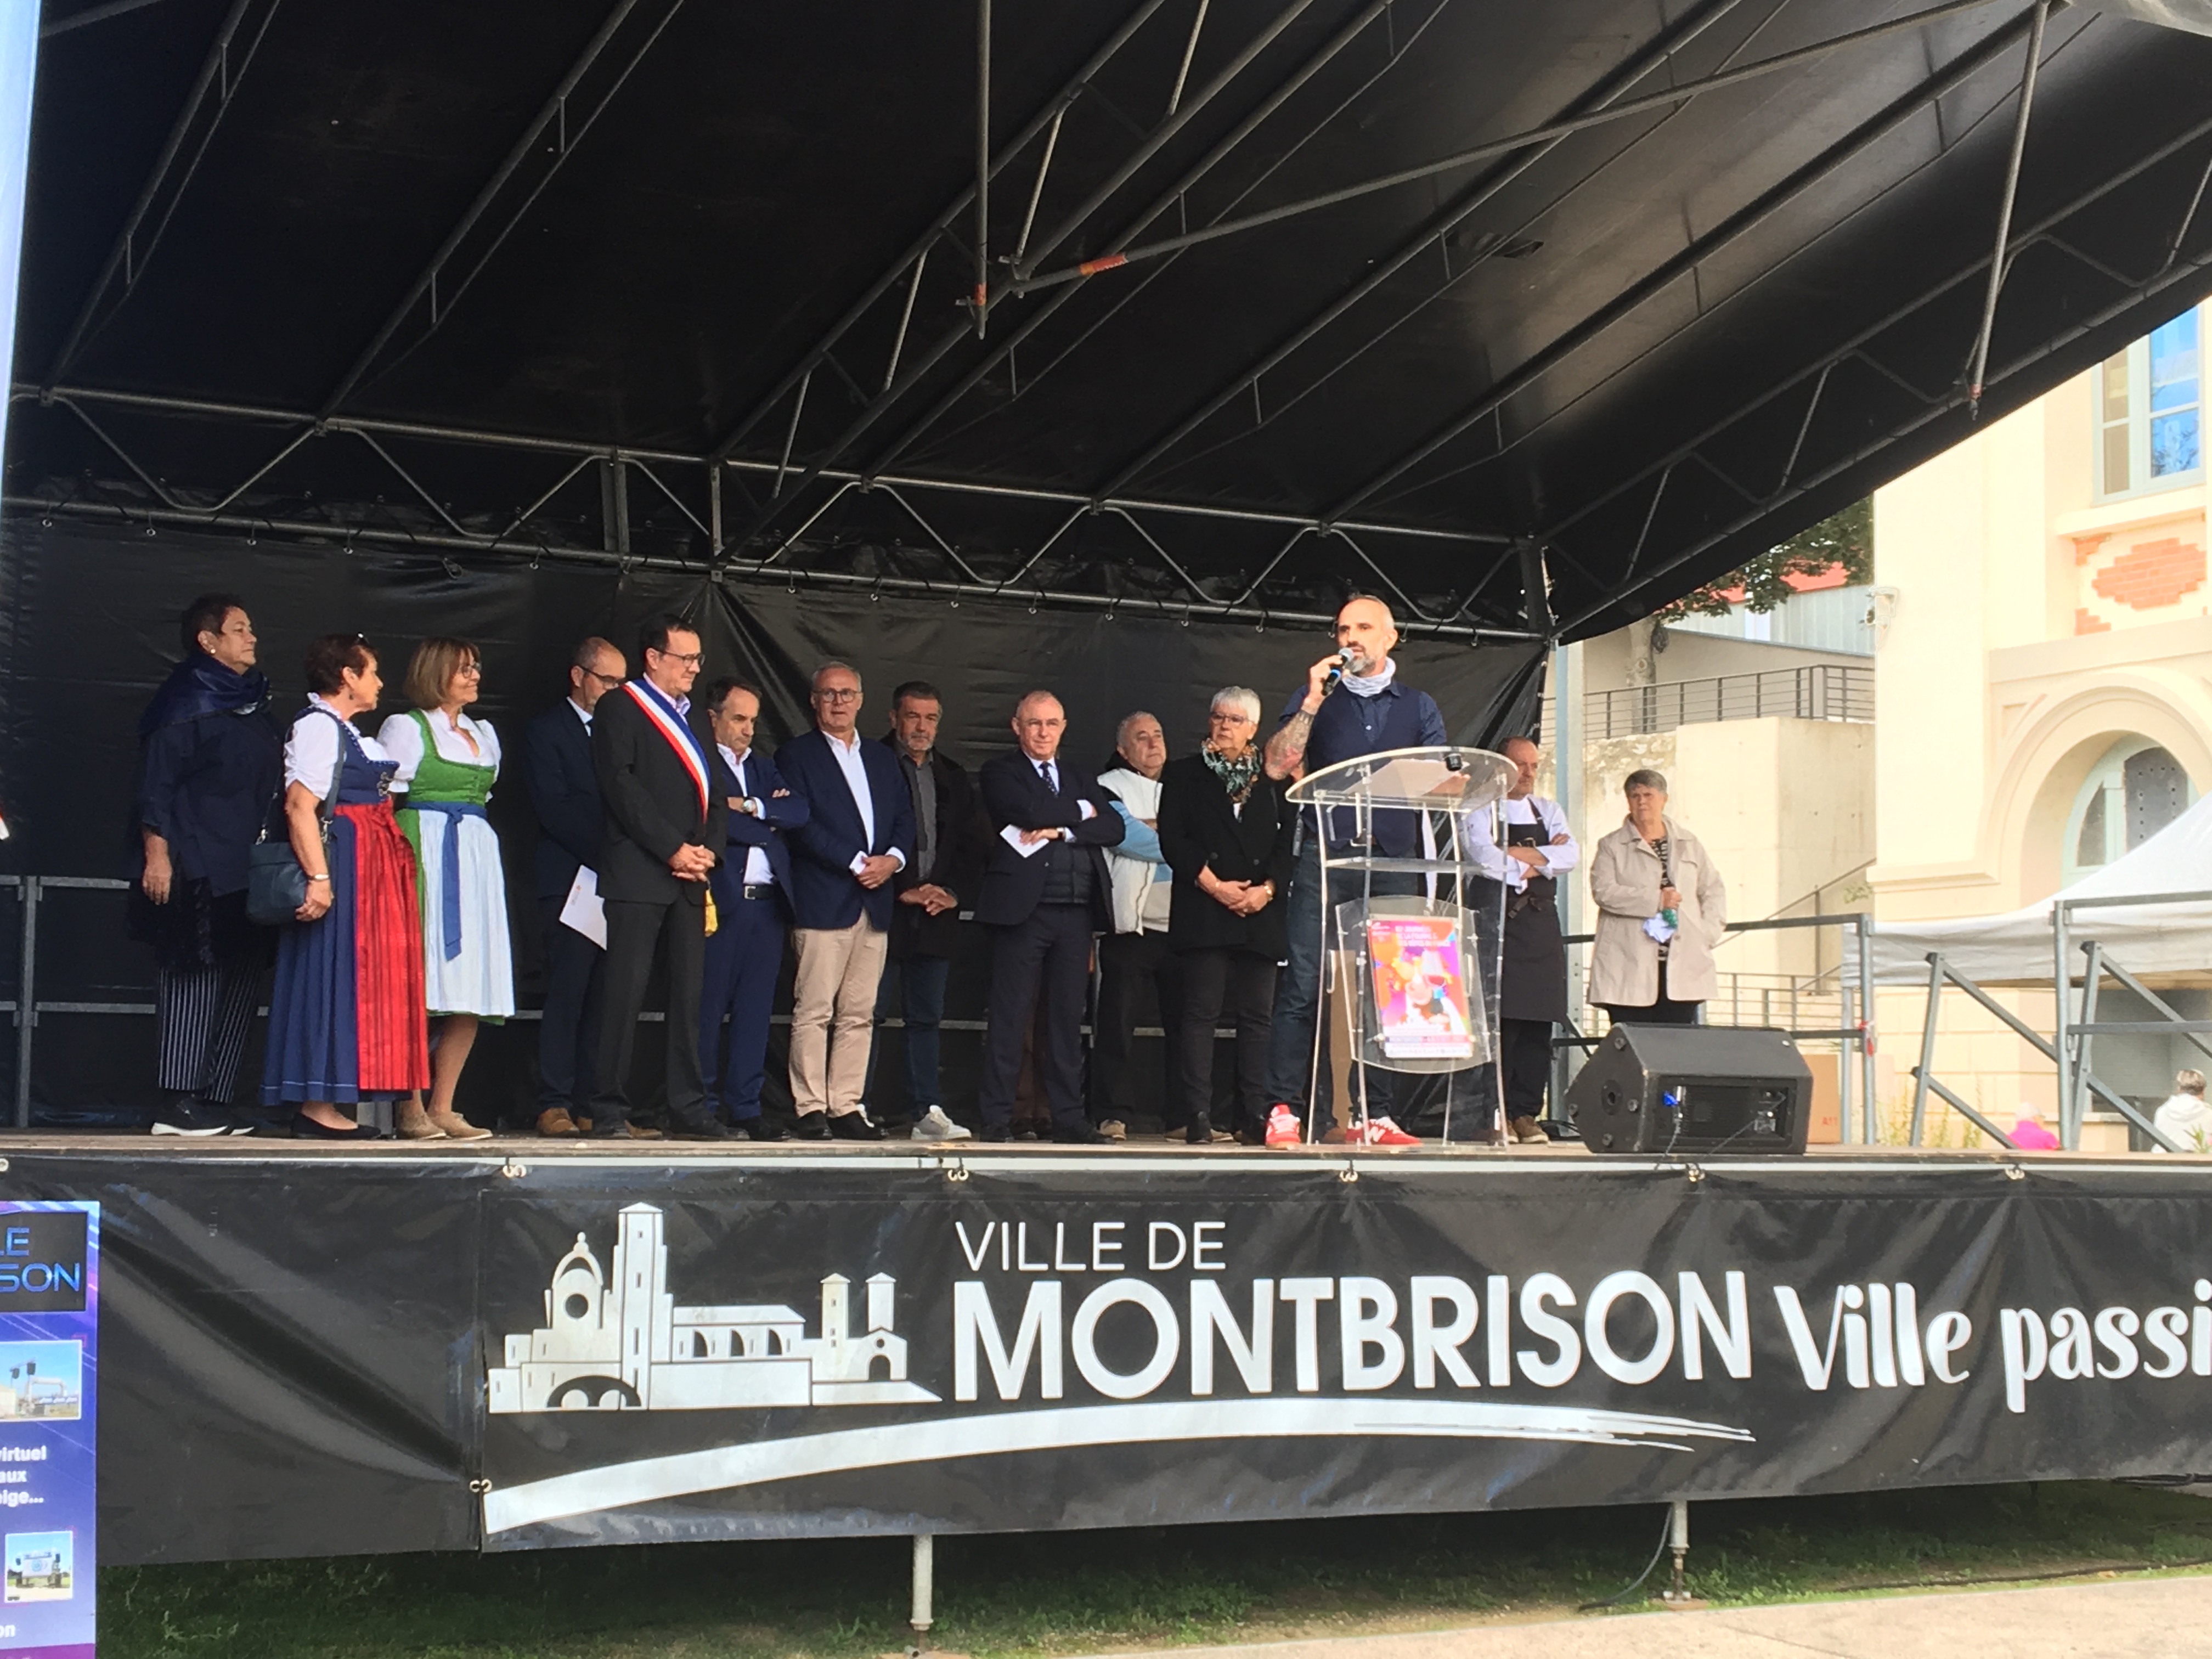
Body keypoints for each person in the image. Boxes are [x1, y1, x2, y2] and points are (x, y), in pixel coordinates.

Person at [1262, 595, 1443, 1147]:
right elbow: (1277, 765)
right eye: (1343, 629)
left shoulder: (1418, 706)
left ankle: (1374, 1113)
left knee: (1391, 987)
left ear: (1391, 637)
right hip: (1326, 854)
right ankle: (1284, 1109)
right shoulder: (1316, 696)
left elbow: (1439, 779)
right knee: (1302, 984)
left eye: (1363, 627)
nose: (1351, 638)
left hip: (1391, 858)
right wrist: (1312, 701)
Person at [259, 635, 429, 1138]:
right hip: (345, 864)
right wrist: (319, 879)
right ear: (348, 676)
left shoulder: (348, 731)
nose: (379, 682)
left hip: (369, 870)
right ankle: (316, 1104)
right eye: (371, 672)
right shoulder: (318, 727)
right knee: (330, 972)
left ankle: (330, 1099)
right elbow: (299, 806)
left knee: (354, 977)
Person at [129, 594, 282, 1136]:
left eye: (250, 627)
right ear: (207, 640)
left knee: (242, 973)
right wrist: (157, 855)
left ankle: (217, 1098)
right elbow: (157, 785)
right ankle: (178, 1102)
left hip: (248, 863)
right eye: (239, 629)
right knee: (194, 971)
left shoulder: (254, 703)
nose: (252, 637)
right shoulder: (184, 701)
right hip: (196, 859)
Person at [587, 614, 729, 1141]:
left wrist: (710, 853)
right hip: (639, 872)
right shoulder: (621, 707)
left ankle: (687, 1107)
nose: (694, 668)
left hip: (692, 877)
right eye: (684, 658)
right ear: (653, 658)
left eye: (697, 659)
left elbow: (715, 790)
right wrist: (672, 848)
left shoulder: (695, 718)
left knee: (689, 998)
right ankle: (606, 1107)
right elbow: (621, 786)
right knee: (624, 994)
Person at [975, 690, 1125, 1144]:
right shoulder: (1001, 771)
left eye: (1052, 723)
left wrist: (1062, 830)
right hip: (1024, 912)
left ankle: (1069, 1118)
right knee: (1010, 1017)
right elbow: (1026, 811)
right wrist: (1081, 811)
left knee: (1066, 1019)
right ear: (1017, 727)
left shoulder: (1079, 775)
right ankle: (997, 1117)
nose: (1044, 732)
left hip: (1076, 913)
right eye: (1035, 723)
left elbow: (1113, 827)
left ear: (1063, 728)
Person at [379, 639, 510, 1142]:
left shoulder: (482, 733)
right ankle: (409, 1106)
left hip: (474, 855)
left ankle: (444, 1105)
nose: (475, 676)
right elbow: (383, 803)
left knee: (470, 982)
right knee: (421, 978)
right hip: (427, 850)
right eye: (463, 669)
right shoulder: (407, 728)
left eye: (476, 667)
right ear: (436, 674)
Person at [777, 661, 914, 1141]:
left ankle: (847, 1105)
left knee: (859, 1013)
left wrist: (893, 860)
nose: (838, 702)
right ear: (814, 701)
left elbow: (904, 817)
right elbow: (800, 823)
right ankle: (811, 1106)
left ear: (860, 700)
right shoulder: (796, 755)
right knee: (814, 1009)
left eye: (847, 694)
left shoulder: (881, 758)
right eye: (829, 694)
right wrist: (856, 862)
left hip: (874, 902)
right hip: (824, 899)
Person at [1157, 688, 1296, 1146]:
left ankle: (1252, 1114)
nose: (1224, 726)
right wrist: (1214, 885)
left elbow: (1289, 845)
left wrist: (1267, 890)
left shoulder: (1274, 779)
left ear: (1253, 728)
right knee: (1201, 1013)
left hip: (1260, 909)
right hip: (1205, 905)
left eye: (1235, 720)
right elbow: (1173, 839)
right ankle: (1197, 1113)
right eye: (1218, 717)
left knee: (1257, 1018)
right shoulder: (1184, 774)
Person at [523, 637, 625, 1138]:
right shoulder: (548, 731)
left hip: (621, 884)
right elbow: (554, 807)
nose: (614, 691)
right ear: (579, 676)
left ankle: (594, 1106)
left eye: (622, 683)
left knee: (608, 998)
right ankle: (554, 1102)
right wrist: (612, 852)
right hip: (571, 880)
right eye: (607, 680)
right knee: (569, 994)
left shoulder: (625, 732)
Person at [699, 677, 808, 1141]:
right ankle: (701, 1105)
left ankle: (745, 1105)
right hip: (722, 903)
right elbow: (709, 821)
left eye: (753, 720)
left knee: (755, 1012)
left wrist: (745, 806)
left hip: (767, 907)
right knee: (706, 1008)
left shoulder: (765, 768)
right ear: (714, 719)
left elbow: (799, 812)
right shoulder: (701, 763)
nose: (748, 729)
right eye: (739, 718)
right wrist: (765, 819)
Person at [875, 680, 981, 1144]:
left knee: (926, 1017)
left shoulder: (953, 775)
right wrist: (903, 888)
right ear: (894, 719)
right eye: (913, 716)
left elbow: (972, 845)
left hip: (937, 914)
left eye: (931, 718)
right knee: (868, 1013)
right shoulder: (872, 762)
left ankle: (926, 1110)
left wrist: (952, 892)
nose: (922, 727)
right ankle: (857, 1106)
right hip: (884, 907)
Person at [1463, 736, 1579, 1144]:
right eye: (1521, 765)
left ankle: (1527, 1112)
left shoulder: (1549, 810)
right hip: (1499, 928)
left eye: (1534, 766)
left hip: (1542, 928)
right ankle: (1495, 1111)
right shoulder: (1479, 808)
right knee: (1504, 1023)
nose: (1529, 773)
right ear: (1500, 767)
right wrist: (1543, 858)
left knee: (1538, 1024)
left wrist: (1515, 855)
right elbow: (1484, 859)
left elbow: (1571, 855)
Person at [1094, 712, 1189, 1141]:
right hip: (1131, 927)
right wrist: (1177, 838)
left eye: (1158, 735)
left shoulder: (1184, 786)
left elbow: (1206, 839)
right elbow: (1126, 836)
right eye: (1141, 738)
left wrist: (1158, 829)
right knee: (1117, 1026)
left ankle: (1183, 1117)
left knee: (1186, 1029)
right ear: (1123, 750)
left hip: (1182, 928)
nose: (1153, 744)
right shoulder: (1108, 786)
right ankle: (1112, 1113)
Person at [1588, 769, 1726, 1026]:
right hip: (1630, 963)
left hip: (1682, 963)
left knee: (1677, 1042)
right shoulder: (1611, 845)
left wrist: (1706, 934)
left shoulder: (1689, 843)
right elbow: (1603, 891)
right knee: (1632, 1039)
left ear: (1664, 799)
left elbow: (1713, 889)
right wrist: (1655, 900)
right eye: (1635, 796)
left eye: (1648, 795)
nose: (1642, 802)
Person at [2152, 1070, 2212, 1152]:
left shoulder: (2162, 1111)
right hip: (2198, 1159)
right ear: (2203, 1091)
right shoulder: (2209, 1114)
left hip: (2163, 1159)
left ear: (2179, 1089)